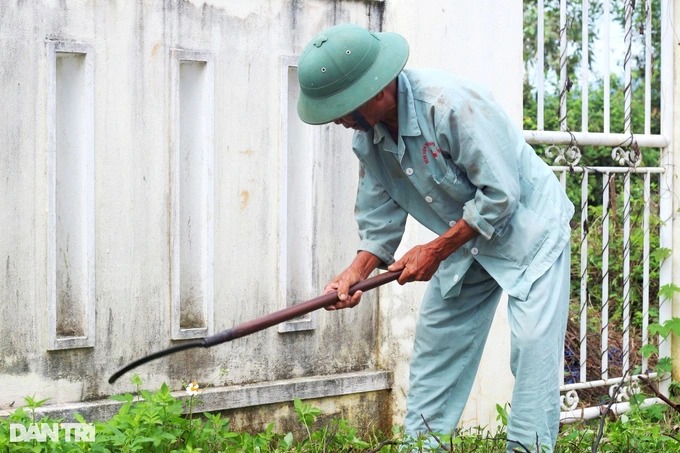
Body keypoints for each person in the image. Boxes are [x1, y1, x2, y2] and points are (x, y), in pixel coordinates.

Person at [296, 23, 574, 453]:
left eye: (343, 108)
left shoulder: (449, 106)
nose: (337, 119)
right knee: (437, 348)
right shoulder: (367, 141)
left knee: (533, 350)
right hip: (466, 241)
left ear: (377, 92)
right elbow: (379, 220)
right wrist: (353, 274)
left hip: (528, 229)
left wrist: (435, 249)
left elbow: (501, 195)